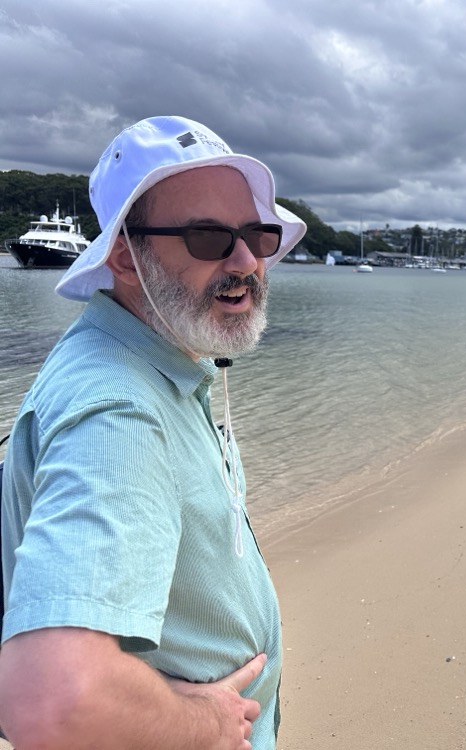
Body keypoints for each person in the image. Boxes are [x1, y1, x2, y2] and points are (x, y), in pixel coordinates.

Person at [0, 116, 306, 749]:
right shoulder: (122, 411)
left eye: (256, 233)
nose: (246, 260)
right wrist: (205, 723)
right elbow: (53, 699)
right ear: (124, 255)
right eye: (207, 237)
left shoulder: (158, 363)